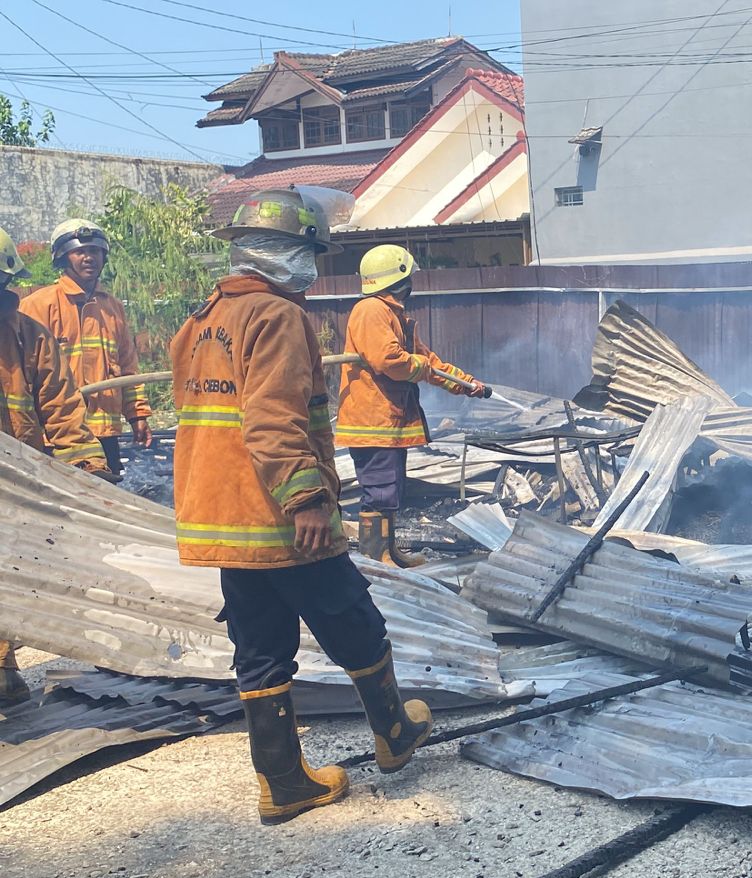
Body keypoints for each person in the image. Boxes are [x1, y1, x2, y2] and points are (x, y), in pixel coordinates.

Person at [171, 188, 434, 825]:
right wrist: (308, 499)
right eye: (308, 253)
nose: (312, 267)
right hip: (281, 516)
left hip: (227, 517)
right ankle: (394, 732)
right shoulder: (276, 316)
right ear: (285, 254)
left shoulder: (203, 319)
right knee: (352, 618)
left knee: (259, 643)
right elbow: (272, 419)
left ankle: (285, 782)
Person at [0, 225, 112, 704]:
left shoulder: (24, 332)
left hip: (19, 477)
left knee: (13, 573)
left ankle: (4, 670)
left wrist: (86, 464)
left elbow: (61, 405)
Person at [336, 244, 489, 567]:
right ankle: (375, 556)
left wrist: (466, 384)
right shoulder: (371, 311)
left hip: (388, 423)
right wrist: (419, 365)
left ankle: (389, 551)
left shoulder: (393, 314)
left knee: (390, 490)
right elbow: (388, 360)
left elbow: (428, 363)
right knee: (378, 491)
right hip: (372, 424)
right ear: (400, 278)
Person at [22, 219, 154, 477]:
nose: (88, 257)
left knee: (107, 501)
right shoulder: (38, 306)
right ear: (62, 257)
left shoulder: (112, 307)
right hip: (58, 436)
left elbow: (128, 368)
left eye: (94, 251)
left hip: (105, 432)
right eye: (79, 251)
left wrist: (137, 415)